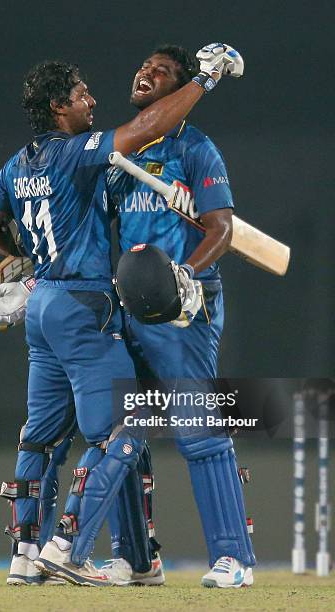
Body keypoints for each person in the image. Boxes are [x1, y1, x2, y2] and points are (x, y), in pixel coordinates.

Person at [0, 45, 241, 587]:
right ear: (56, 108)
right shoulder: (83, 153)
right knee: (121, 426)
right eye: (79, 95)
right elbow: (143, 128)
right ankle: (71, 546)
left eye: (161, 70)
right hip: (89, 305)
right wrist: (207, 80)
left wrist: (21, 258)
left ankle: (29, 556)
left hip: (60, 304)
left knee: (42, 436)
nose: (91, 100)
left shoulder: (18, 162)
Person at [104, 44, 256, 589]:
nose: (145, 72)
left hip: (185, 305)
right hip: (129, 304)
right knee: (123, 429)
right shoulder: (122, 151)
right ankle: (136, 559)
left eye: (161, 71)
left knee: (198, 430)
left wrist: (186, 276)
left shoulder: (197, 150)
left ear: (181, 88)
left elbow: (222, 229)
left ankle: (234, 558)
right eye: (143, 66)